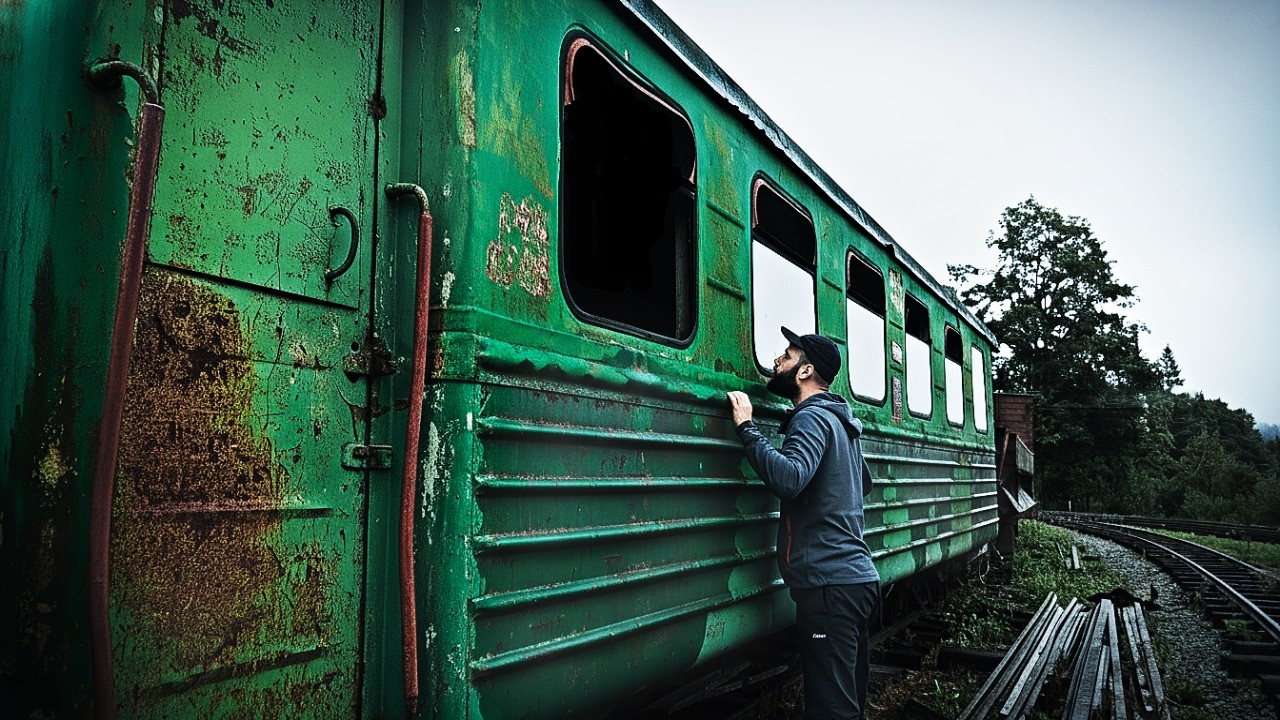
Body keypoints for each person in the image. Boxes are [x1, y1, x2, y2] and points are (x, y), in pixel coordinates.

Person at [727, 327, 880, 720]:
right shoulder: (842, 422)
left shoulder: (811, 418)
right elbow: (863, 483)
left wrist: (747, 428)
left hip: (829, 584)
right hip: (854, 579)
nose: (778, 360)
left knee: (831, 710)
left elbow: (790, 479)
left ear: (805, 370)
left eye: (787, 354)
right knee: (848, 701)